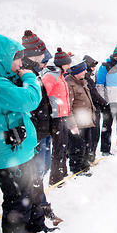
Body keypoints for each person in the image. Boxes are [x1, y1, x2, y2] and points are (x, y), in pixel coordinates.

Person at [0, 35, 56, 233]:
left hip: (18, 151)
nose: (20, 64)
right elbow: (30, 99)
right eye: (17, 59)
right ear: (3, 58)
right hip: (6, 154)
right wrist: (30, 77)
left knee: (31, 192)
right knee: (17, 200)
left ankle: (35, 227)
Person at [20, 31, 62, 224]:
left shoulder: (35, 72)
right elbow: (30, 105)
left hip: (44, 130)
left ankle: (37, 205)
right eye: (42, 54)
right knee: (34, 173)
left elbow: (44, 103)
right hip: (35, 132)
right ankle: (38, 208)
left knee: (42, 168)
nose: (43, 59)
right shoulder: (24, 73)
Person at [42, 47, 72, 186]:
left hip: (63, 115)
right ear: (61, 63)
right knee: (58, 147)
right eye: (68, 63)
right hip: (56, 116)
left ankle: (63, 172)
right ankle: (55, 178)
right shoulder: (50, 75)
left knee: (64, 145)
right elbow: (44, 96)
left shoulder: (60, 75)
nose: (69, 66)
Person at [66, 61, 96, 176]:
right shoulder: (70, 84)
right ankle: (76, 169)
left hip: (86, 121)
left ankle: (84, 165)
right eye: (82, 70)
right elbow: (69, 107)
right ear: (76, 71)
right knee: (77, 147)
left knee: (85, 145)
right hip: (77, 122)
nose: (85, 72)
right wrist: (72, 124)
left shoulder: (82, 82)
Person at [83, 55, 108, 163]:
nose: (94, 68)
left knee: (94, 134)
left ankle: (91, 156)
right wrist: (104, 103)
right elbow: (94, 94)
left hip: (94, 108)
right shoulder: (86, 79)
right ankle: (89, 157)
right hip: (92, 109)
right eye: (92, 66)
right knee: (93, 135)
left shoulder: (89, 78)